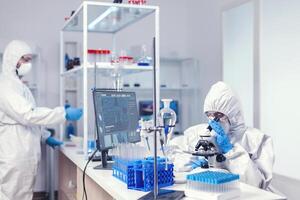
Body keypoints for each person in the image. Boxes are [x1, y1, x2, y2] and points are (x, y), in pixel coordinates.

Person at [0, 40, 83, 200]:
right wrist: (63, 114)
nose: (28, 64)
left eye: (29, 60)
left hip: (25, 155)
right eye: (25, 59)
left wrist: (45, 136)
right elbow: (28, 115)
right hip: (15, 156)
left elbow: (30, 120)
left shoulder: (20, 86)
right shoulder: (4, 86)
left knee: (24, 195)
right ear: (13, 59)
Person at [171, 81, 274, 190]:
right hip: (208, 190)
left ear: (233, 115)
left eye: (218, 115)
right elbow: (173, 155)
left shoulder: (255, 139)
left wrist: (230, 151)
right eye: (208, 114)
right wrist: (191, 162)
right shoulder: (197, 132)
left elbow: (257, 184)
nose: (212, 120)